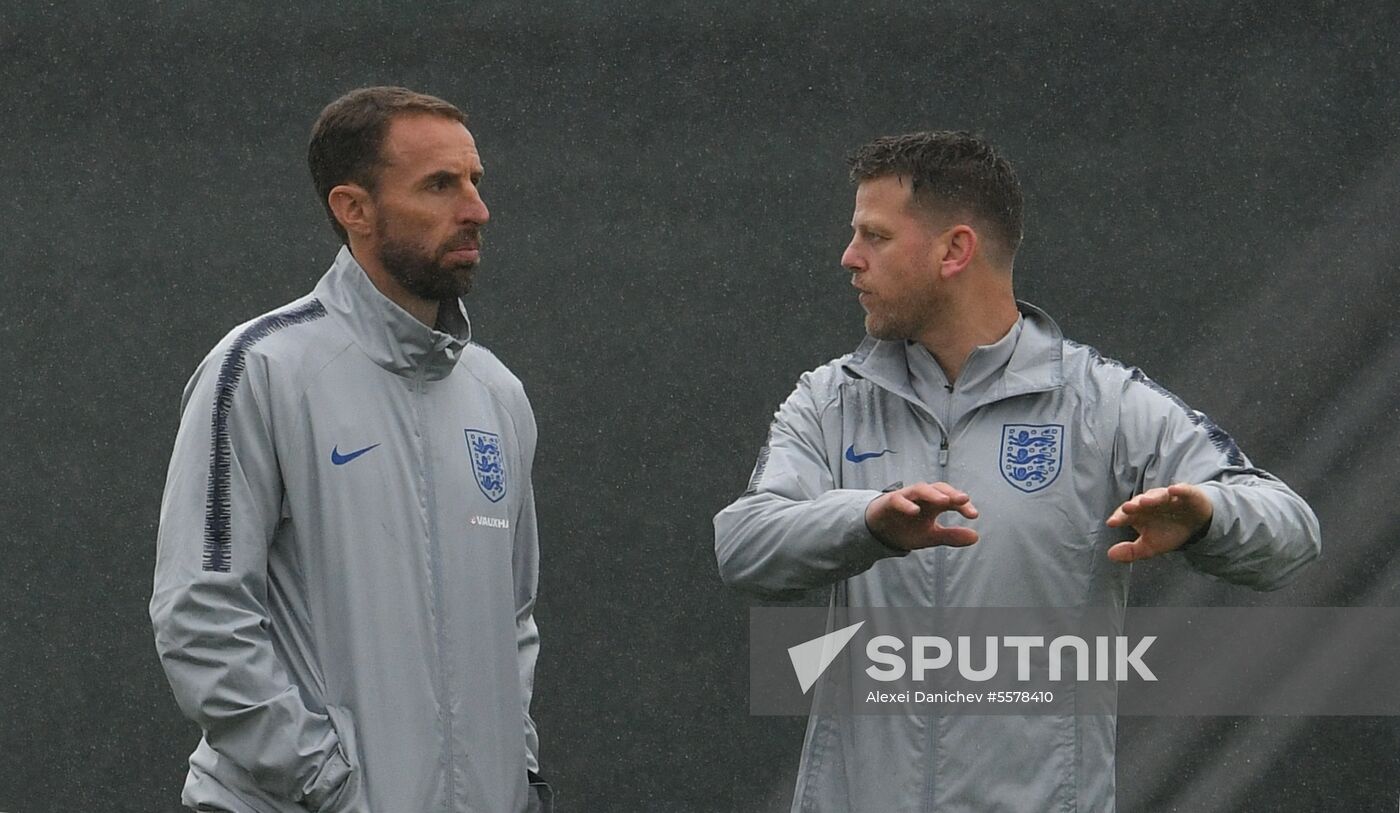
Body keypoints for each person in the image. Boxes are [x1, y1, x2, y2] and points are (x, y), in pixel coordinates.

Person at [713, 131, 1321, 812]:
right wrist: (867, 522)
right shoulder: (831, 399)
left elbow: (1292, 533)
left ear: (955, 250)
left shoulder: (1105, 402)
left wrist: (1210, 517)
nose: (848, 258)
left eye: (874, 236)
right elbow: (743, 547)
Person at [150, 87, 551, 812]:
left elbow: (513, 620)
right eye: (440, 185)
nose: (476, 210)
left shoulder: (498, 395)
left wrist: (511, 778)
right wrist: (332, 786)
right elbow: (201, 615)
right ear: (353, 208)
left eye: (475, 182)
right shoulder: (260, 369)